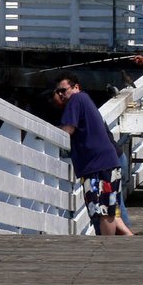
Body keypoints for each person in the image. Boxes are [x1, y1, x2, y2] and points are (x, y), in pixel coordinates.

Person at [50, 72, 123, 235]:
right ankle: (110, 244)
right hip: (103, 163)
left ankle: (107, 247)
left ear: (76, 87)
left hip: (99, 165)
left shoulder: (76, 99)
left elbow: (68, 129)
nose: (61, 94)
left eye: (63, 90)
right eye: (58, 92)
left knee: (103, 211)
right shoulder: (84, 99)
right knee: (105, 210)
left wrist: (49, 132)